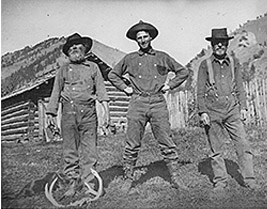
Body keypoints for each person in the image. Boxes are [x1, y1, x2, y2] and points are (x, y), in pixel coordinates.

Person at [108, 20, 189, 192]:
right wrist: (125, 88)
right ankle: (128, 179)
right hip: (137, 102)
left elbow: (183, 71)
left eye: (145, 37)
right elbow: (113, 75)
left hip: (158, 102)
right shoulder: (130, 58)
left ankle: (175, 178)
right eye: (139, 38)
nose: (143, 40)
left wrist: (169, 85)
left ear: (151, 37)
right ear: (136, 41)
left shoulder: (162, 57)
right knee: (132, 143)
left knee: (166, 140)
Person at [46, 33, 110, 196]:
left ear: (85, 49)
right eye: (71, 47)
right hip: (69, 113)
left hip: (88, 114)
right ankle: (72, 183)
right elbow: (56, 91)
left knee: (90, 151)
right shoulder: (63, 69)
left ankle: (89, 185)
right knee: (70, 151)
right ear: (67, 52)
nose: (75, 49)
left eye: (78, 46)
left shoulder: (93, 68)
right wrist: (51, 113)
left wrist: (106, 111)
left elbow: (101, 91)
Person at [197, 28, 257, 193]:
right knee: (216, 149)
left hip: (232, 110)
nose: (220, 46)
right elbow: (200, 91)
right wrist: (202, 112)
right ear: (212, 44)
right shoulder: (205, 65)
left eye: (223, 42)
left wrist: (243, 107)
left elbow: (239, 86)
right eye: (216, 43)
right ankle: (221, 182)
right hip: (212, 110)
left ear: (227, 43)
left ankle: (250, 180)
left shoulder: (234, 62)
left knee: (243, 144)